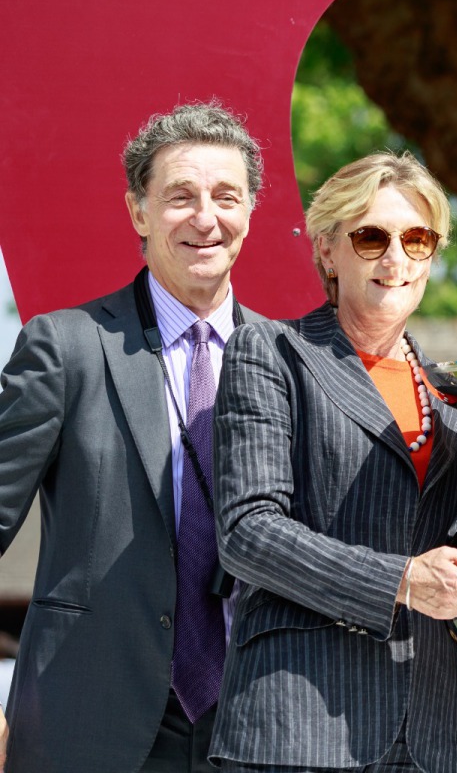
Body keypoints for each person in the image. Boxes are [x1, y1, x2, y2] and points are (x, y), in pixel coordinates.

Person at [208, 151, 457, 773]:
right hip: (298, 723)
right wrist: (400, 581)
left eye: (417, 239)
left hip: (427, 729)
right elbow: (248, 533)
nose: (396, 259)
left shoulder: (452, 392)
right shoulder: (271, 352)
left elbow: (437, 549)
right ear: (327, 250)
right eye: (371, 237)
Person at [0, 102, 265, 772]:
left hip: (253, 724)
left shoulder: (289, 360)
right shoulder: (65, 348)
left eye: (225, 196)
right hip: (84, 722)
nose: (206, 218)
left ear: (250, 211)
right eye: (180, 196)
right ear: (138, 212)